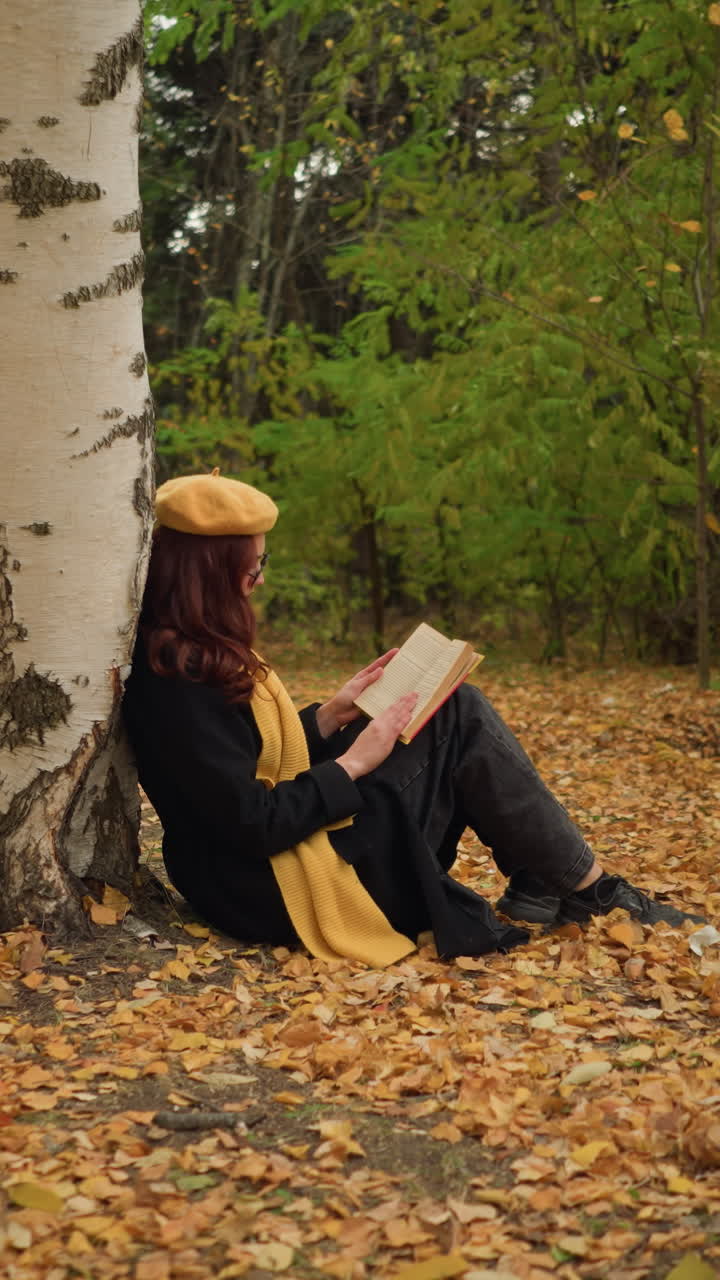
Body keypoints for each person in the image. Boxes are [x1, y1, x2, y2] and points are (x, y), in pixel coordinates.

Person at [122, 470, 704, 966]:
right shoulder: (174, 678)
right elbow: (248, 820)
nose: (261, 579)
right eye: (252, 567)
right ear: (208, 574)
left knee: (449, 708)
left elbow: (248, 763)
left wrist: (330, 715)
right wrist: (353, 762)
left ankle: (553, 880)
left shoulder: (192, 652)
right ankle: (583, 888)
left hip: (276, 862)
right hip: (265, 888)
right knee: (459, 715)